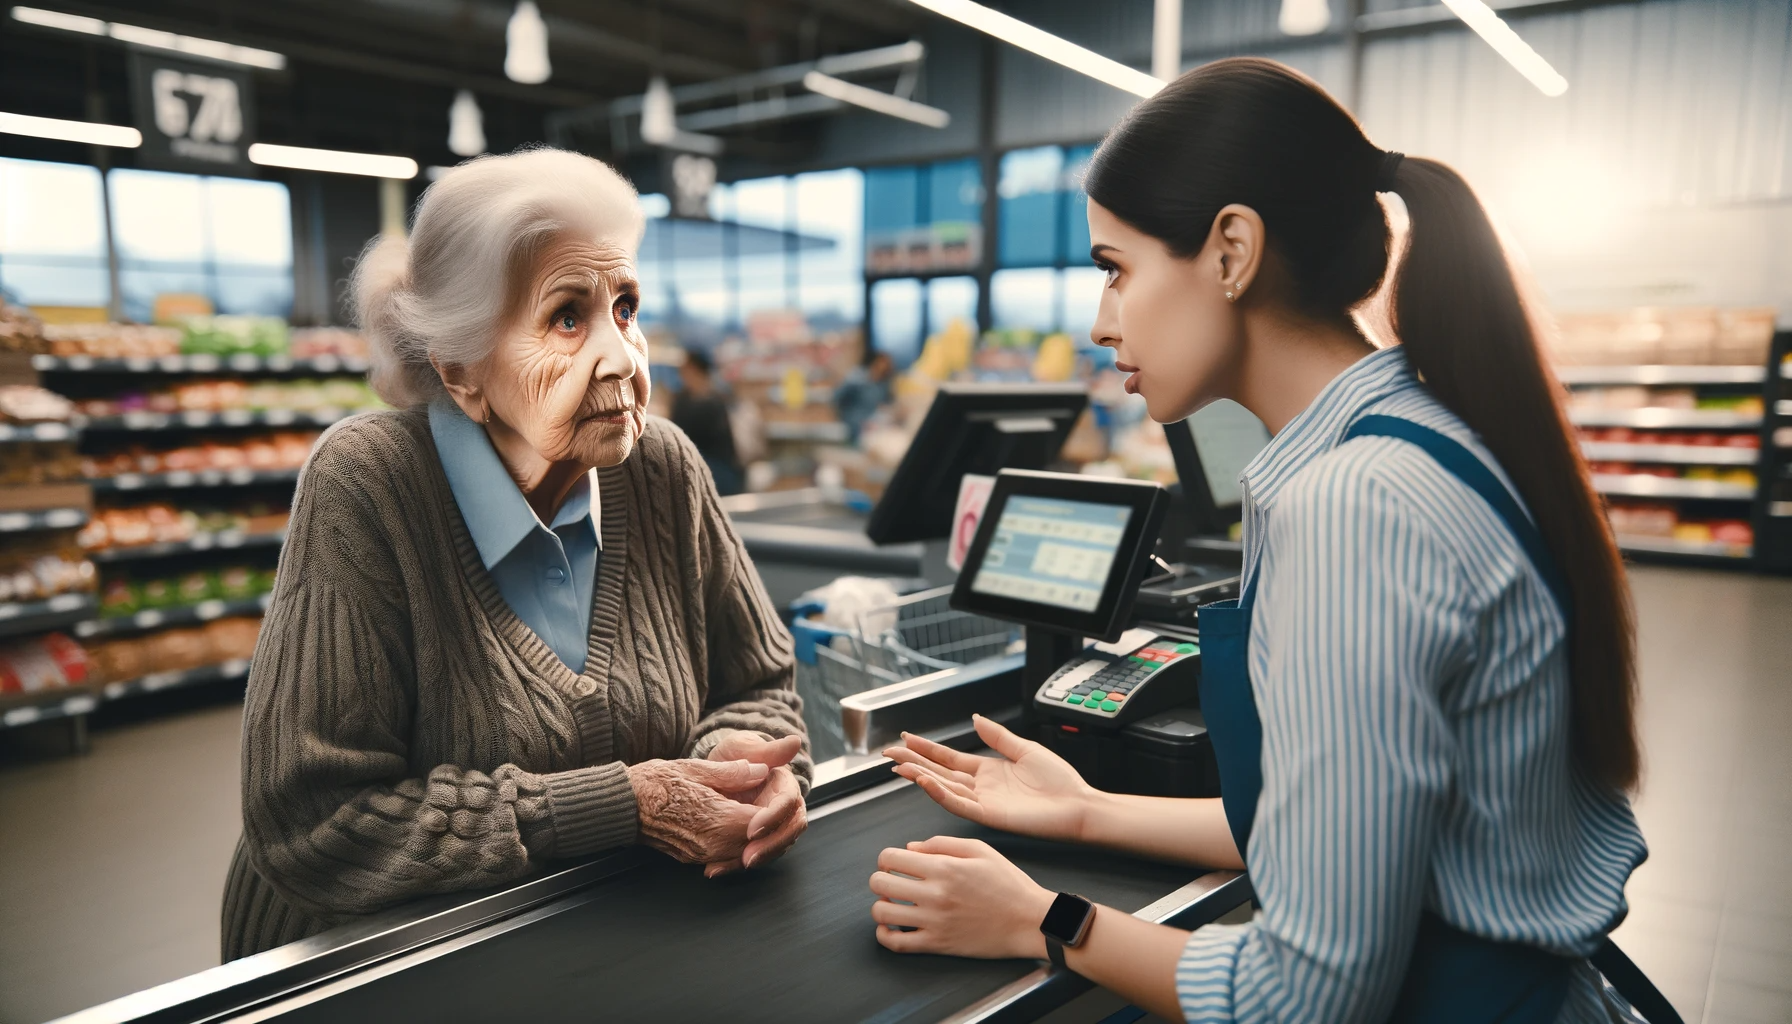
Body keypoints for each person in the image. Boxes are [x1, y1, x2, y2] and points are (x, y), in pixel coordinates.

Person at [870, 58, 1674, 1024]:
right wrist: (1084, 810)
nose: (1099, 322)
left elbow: (1307, 998)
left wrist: (1043, 917)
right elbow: (1356, 834)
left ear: (1231, 251)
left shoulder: (1357, 509)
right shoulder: (1415, 437)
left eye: (1116, 270)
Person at [222, 148, 808, 960]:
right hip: (359, 966)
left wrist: (737, 761)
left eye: (626, 309)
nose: (624, 361)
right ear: (460, 368)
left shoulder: (663, 466)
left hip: (581, 943)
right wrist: (623, 803)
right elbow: (313, 821)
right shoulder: (368, 483)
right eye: (568, 318)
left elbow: (760, 684)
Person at [670, 348, 743, 495]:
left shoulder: (711, 402)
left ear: (695, 369)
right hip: (699, 465)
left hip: (714, 469)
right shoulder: (686, 398)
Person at [834, 348, 893, 443]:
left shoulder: (883, 384)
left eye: (888, 363)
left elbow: (885, 404)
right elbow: (838, 397)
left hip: (873, 423)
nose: (886, 366)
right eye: (883, 362)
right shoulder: (857, 377)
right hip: (853, 422)